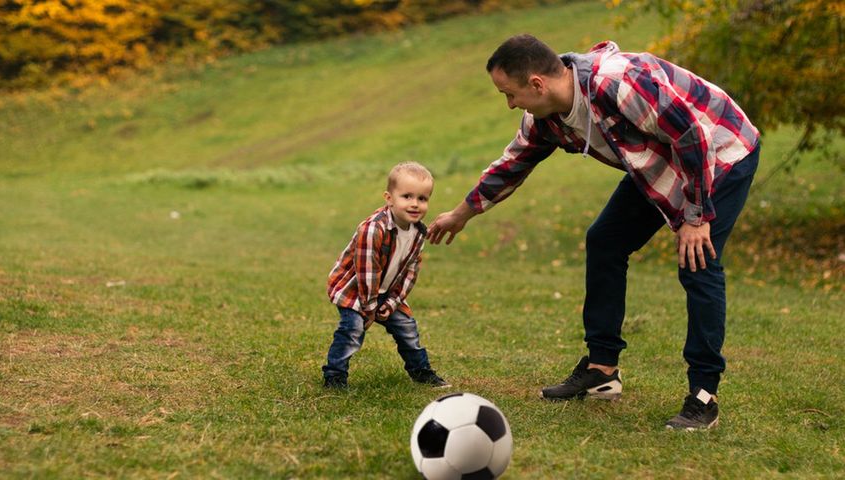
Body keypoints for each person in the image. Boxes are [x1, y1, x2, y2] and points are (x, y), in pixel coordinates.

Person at [427, 34, 759, 430]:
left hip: (720, 151)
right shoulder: (546, 117)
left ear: (537, 84)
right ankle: (602, 370)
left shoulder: (618, 85)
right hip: (661, 160)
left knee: (697, 263)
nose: (510, 104)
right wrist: (461, 214)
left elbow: (691, 135)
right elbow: (512, 164)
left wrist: (697, 216)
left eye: (509, 94)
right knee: (605, 241)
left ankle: (704, 395)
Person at [323, 162, 450, 389]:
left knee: (408, 330)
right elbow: (366, 272)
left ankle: (421, 371)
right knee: (353, 329)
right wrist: (370, 309)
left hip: (387, 292)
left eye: (422, 199)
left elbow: (411, 271)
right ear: (389, 198)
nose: (415, 204)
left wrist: (391, 303)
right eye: (407, 196)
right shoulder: (373, 229)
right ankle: (334, 376)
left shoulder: (419, 232)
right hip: (355, 291)